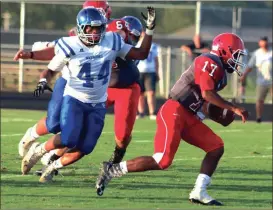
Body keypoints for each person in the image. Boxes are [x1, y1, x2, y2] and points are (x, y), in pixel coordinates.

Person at [96, 33, 249, 206]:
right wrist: (233, 107)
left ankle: (199, 191)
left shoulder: (220, 74)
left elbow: (205, 102)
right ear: (224, 51)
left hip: (189, 116)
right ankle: (112, 169)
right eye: (236, 55)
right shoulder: (209, 61)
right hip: (174, 111)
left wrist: (220, 116)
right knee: (162, 160)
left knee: (216, 147)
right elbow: (207, 92)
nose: (237, 60)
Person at [14, 6, 156, 183]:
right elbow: (52, 64)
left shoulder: (111, 40)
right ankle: (39, 151)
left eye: (98, 28)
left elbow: (141, 53)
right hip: (75, 96)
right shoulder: (71, 44)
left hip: (98, 100)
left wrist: (149, 30)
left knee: (86, 146)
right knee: (66, 135)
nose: (95, 33)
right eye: (91, 28)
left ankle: (51, 167)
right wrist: (40, 73)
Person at [240, 36, 272, 123]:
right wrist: (244, 75)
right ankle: (259, 118)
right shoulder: (257, 54)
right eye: (262, 42)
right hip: (261, 82)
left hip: (272, 81)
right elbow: (250, 66)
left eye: (265, 42)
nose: (264, 44)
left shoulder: (271, 52)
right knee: (259, 100)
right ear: (259, 43)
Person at [136, 33, 160, 120]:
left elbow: (156, 60)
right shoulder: (136, 45)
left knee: (151, 93)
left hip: (151, 71)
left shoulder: (153, 46)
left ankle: (152, 112)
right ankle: (141, 112)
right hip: (139, 71)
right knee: (140, 93)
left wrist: (157, 72)